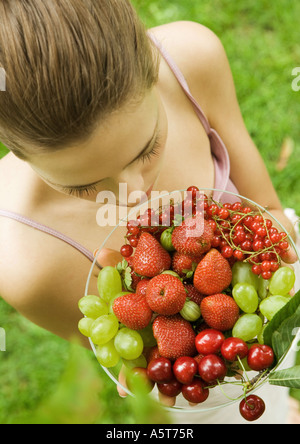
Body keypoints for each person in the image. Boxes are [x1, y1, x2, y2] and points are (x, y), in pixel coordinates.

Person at [0, 0, 298, 424]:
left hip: (273, 288)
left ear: (152, 68)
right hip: (218, 373)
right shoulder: (27, 264)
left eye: (147, 149)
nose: (132, 194)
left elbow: (266, 208)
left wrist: (275, 228)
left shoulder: (191, 61)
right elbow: (140, 349)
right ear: (16, 151)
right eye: (83, 185)